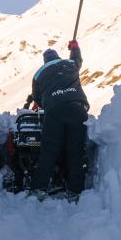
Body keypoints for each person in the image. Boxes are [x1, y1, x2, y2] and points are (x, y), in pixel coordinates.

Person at [29, 40, 89, 201]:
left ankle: (38, 188)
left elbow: (37, 98)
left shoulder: (38, 73)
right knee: (76, 151)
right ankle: (75, 191)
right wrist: (75, 47)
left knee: (49, 151)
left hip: (54, 111)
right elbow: (78, 60)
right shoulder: (69, 63)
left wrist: (47, 101)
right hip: (77, 109)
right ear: (58, 56)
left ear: (45, 60)